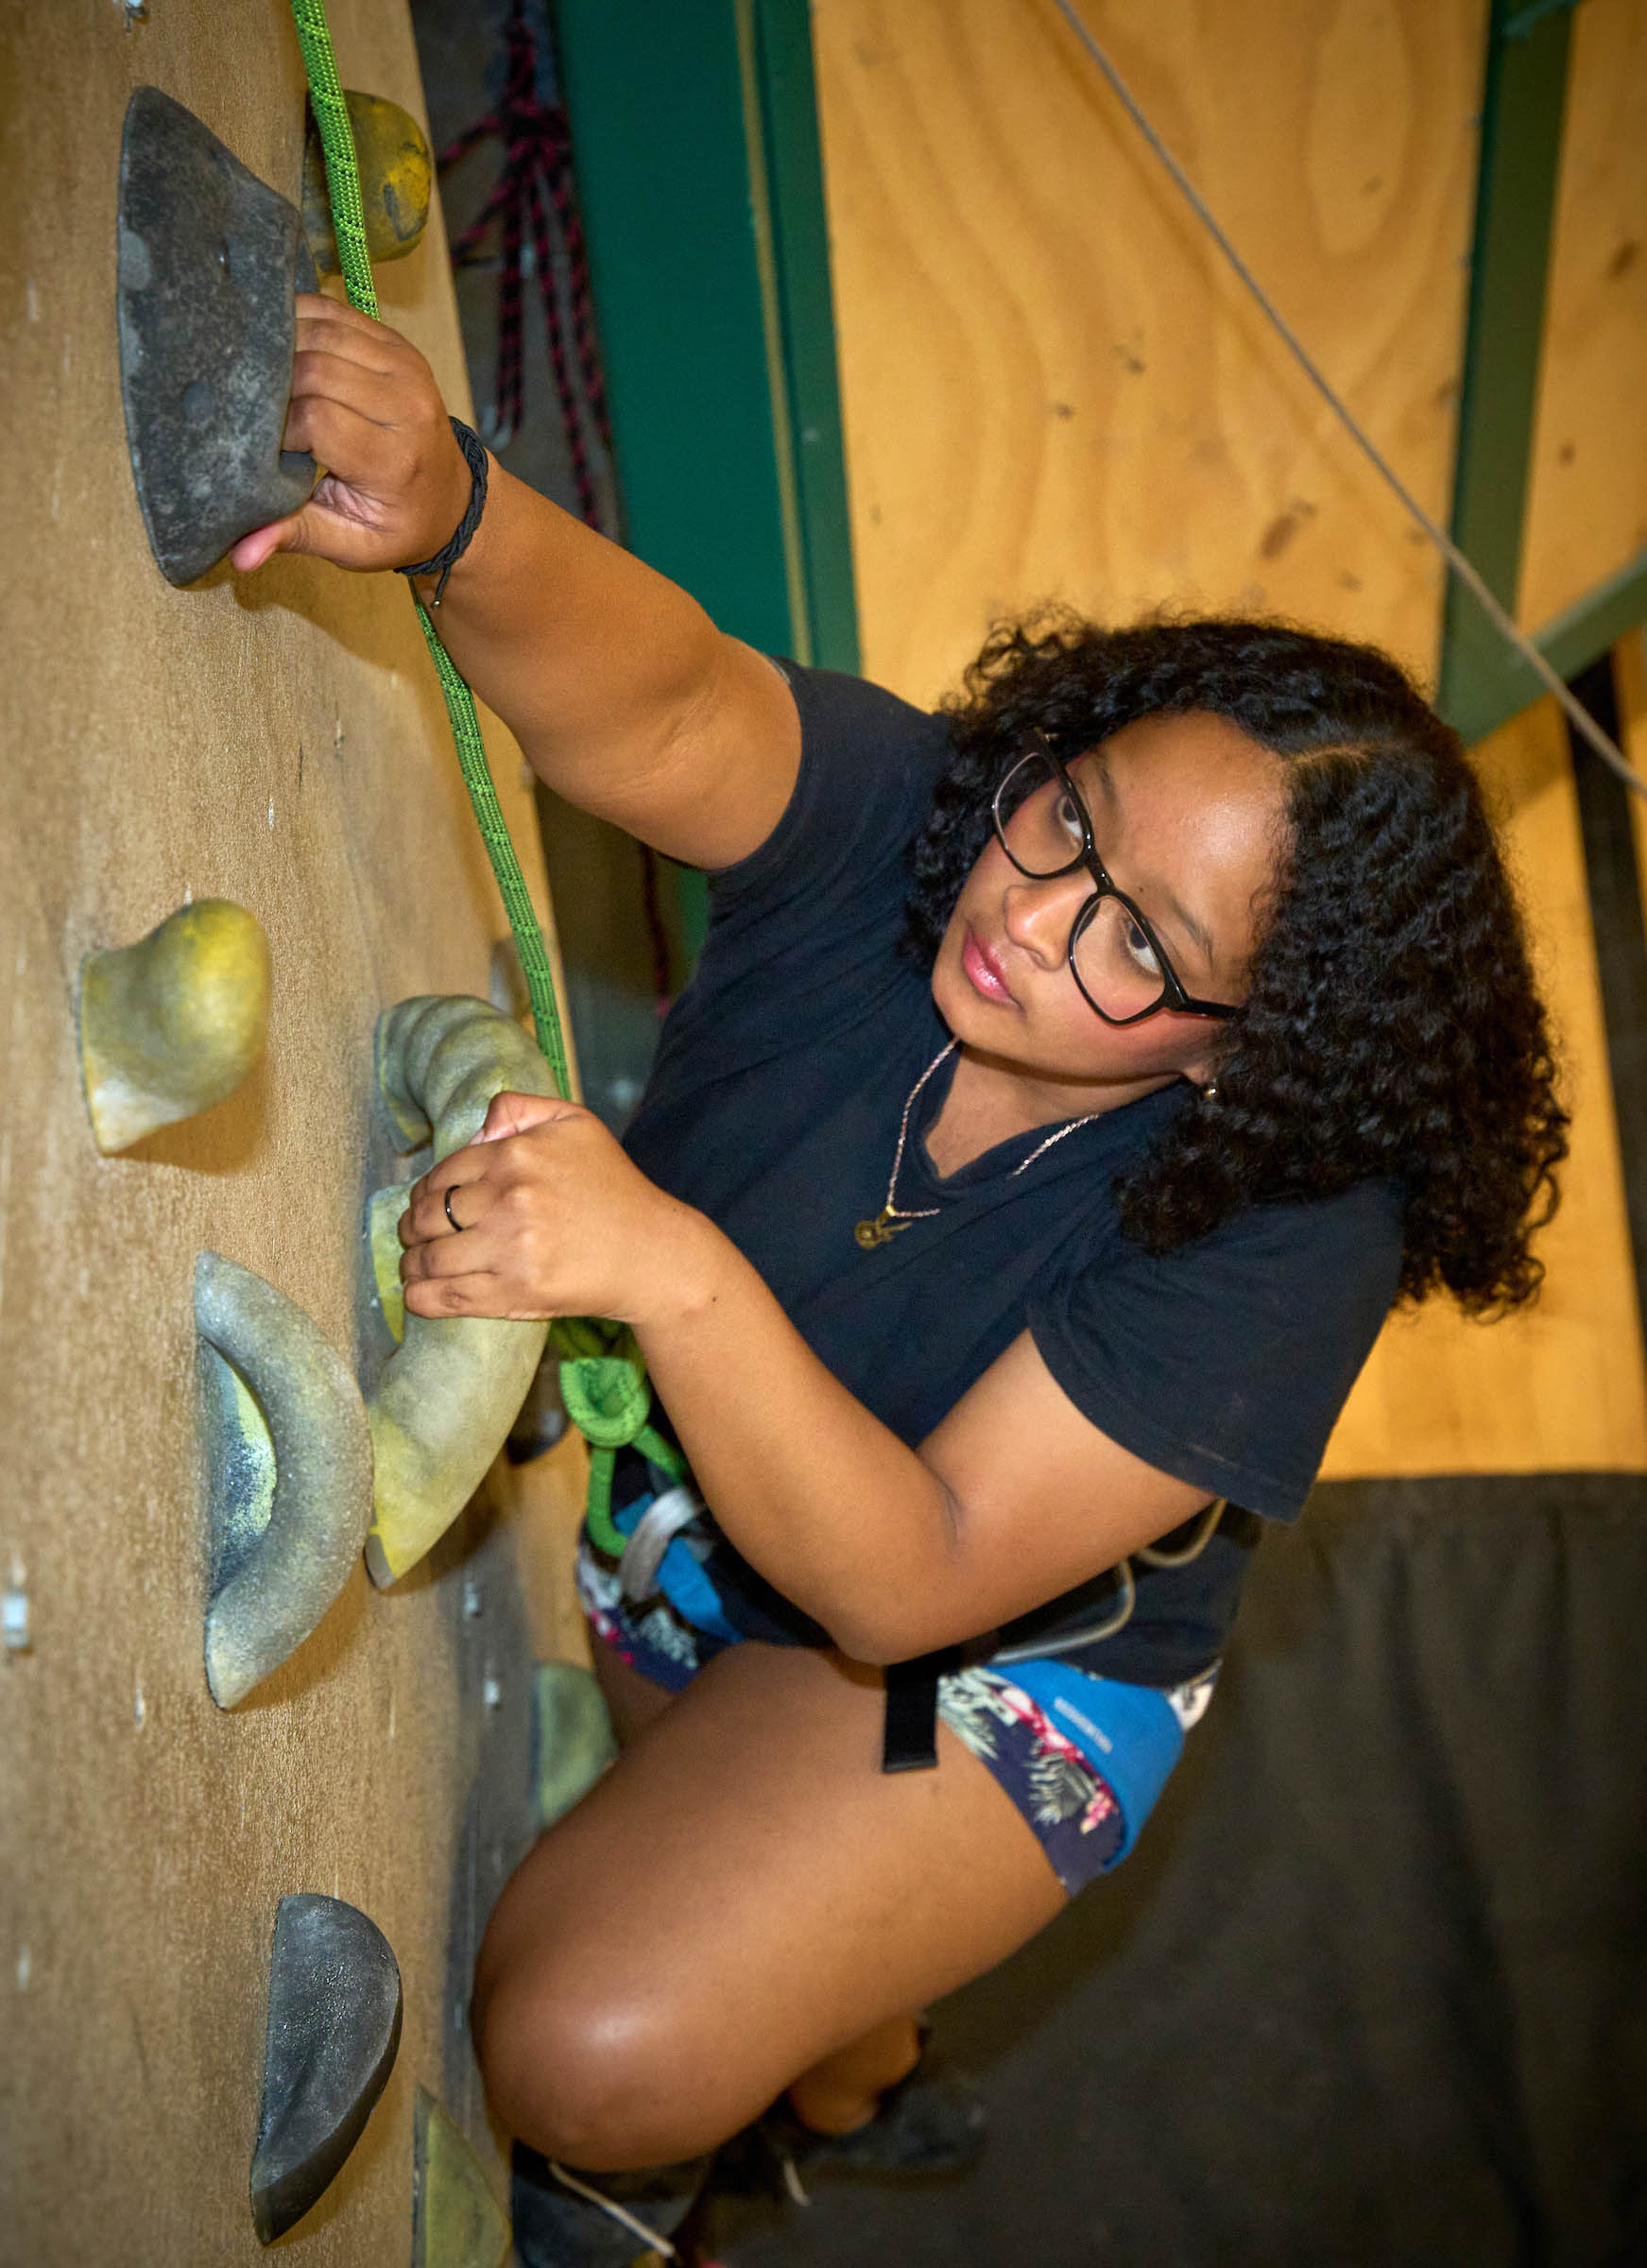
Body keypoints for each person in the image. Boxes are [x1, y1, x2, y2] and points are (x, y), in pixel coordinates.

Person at [233, 296, 1569, 2263]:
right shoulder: (925, 815)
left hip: (991, 1654)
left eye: (1140, 945)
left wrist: (673, 1276)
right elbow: (671, 700)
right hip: (727, 1521)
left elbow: (910, 1573)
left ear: (1242, 1053)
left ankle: (845, 2070)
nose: (1029, 920)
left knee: (590, 2046)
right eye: (1066, 816)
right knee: (710, 1795)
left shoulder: (1291, 1234)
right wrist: (454, 512)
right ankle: (860, 2033)